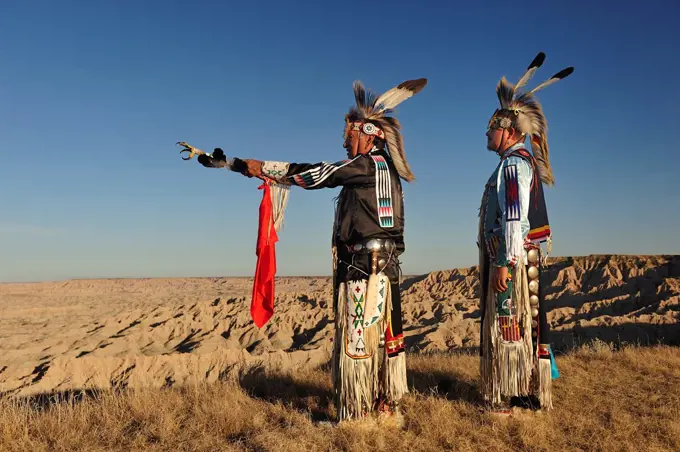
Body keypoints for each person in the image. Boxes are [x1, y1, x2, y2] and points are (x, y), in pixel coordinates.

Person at [197, 78, 427, 422]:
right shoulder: (385, 170)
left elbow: (313, 173)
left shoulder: (365, 166)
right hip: (384, 268)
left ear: (369, 134)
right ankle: (383, 408)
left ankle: (359, 417)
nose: (344, 142)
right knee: (380, 341)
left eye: (349, 136)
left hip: (364, 271)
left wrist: (239, 164)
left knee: (359, 342)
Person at [478, 52, 572, 413]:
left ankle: (519, 397)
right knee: (522, 323)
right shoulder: (516, 162)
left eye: (491, 127)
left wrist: (504, 262)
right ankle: (523, 393)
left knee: (511, 323)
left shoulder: (515, 165)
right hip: (520, 258)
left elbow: (515, 219)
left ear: (509, 131)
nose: (487, 132)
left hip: (513, 261)